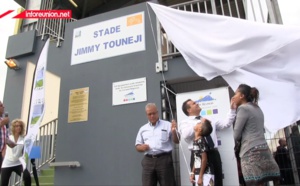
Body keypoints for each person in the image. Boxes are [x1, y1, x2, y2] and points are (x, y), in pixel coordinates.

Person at [180, 98, 236, 186]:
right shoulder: (185, 122)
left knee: (217, 182)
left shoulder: (209, 118)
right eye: (194, 103)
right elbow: (185, 135)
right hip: (198, 155)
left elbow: (226, 124)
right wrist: (199, 123)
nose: (197, 103)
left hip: (213, 154)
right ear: (189, 110)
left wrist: (232, 110)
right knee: (200, 182)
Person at [232, 84, 280, 186]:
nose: (233, 96)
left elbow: (236, 135)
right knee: (262, 182)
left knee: (254, 183)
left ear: (242, 96)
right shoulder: (257, 108)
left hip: (250, 151)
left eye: (236, 93)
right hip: (264, 149)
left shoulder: (243, 109)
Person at [135, 103, 179, 186]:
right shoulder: (143, 129)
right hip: (148, 160)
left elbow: (177, 141)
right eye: (149, 114)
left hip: (164, 159)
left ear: (157, 112)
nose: (152, 116)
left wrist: (174, 131)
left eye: (154, 113)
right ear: (146, 115)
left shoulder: (167, 125)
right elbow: (137, 146)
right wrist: (141, 147)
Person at [1, 119, 31, 186]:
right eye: (16, 126)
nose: (19, 127)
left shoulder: (23, 138)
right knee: (4, 183)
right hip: (7, 163)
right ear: (14, 128)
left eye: (20, 126)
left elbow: (27, 148)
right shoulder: (9, 137)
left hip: (18, 162)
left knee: (27, 176)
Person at [190, 118, 214, 186]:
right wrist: (192, 173)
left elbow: (204, 159)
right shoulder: (196, 140)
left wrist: (200, 177)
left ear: (200, 129)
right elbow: (197, 159)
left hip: (206, 173)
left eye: (199, 123)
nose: (197, 122)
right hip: (199, 173)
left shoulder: (201, 141)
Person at [0, 101, 10, 169]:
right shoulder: (3, 122)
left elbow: (6, 137)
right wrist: (1, 123)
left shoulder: (3, 120)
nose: (3, 107)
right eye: (1, 105)